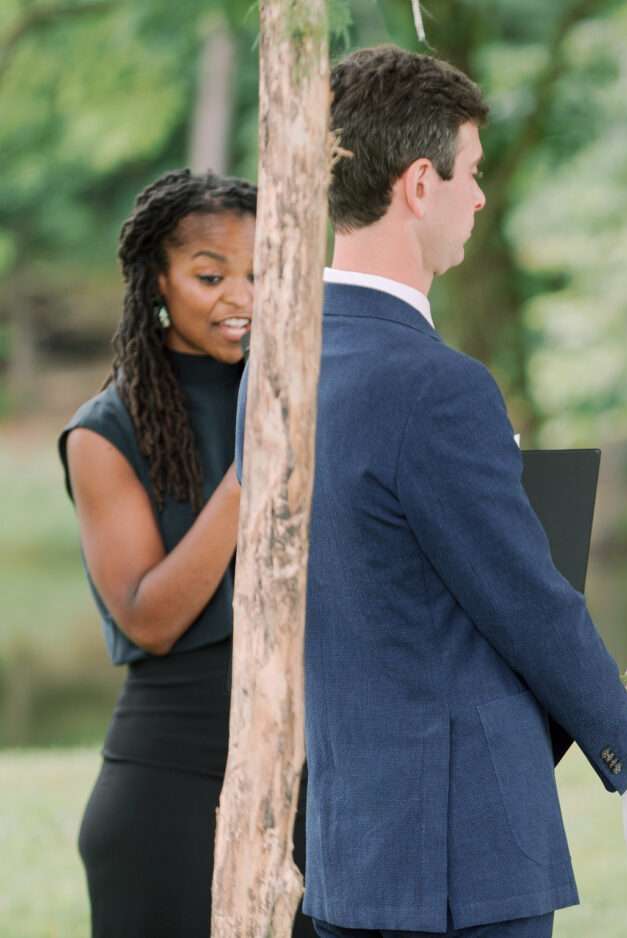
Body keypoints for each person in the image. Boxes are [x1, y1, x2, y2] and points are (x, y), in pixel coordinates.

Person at [235, 46, 627, 938]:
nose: (481, 198)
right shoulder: (436, 386)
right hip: (459, 860)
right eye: (474, 173)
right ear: (421, 183)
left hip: (343, 848)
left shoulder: (275, 370)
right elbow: (528, 602)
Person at [58, 170, 316, 938]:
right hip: (170, 784)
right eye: (211, 276)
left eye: (261, 272)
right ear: (158, 282)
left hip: (313, 774)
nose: (242, 296)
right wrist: (252, 469)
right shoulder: (106, 431)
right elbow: (149, 618)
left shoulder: (301, 395)